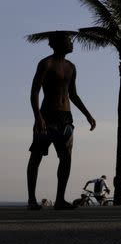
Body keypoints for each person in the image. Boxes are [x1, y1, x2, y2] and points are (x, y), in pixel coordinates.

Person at [27, 32, 96, 211]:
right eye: (68, 41)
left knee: (66, 158)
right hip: (46, 116)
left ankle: (59, 200)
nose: (72, 43)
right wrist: (38, 117)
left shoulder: (71, 66)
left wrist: (88, 115)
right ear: (56, 44)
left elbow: (72, 94)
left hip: (65, 119)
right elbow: (34, 91)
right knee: (36, 156)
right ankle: (31, 200)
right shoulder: (46, 63)